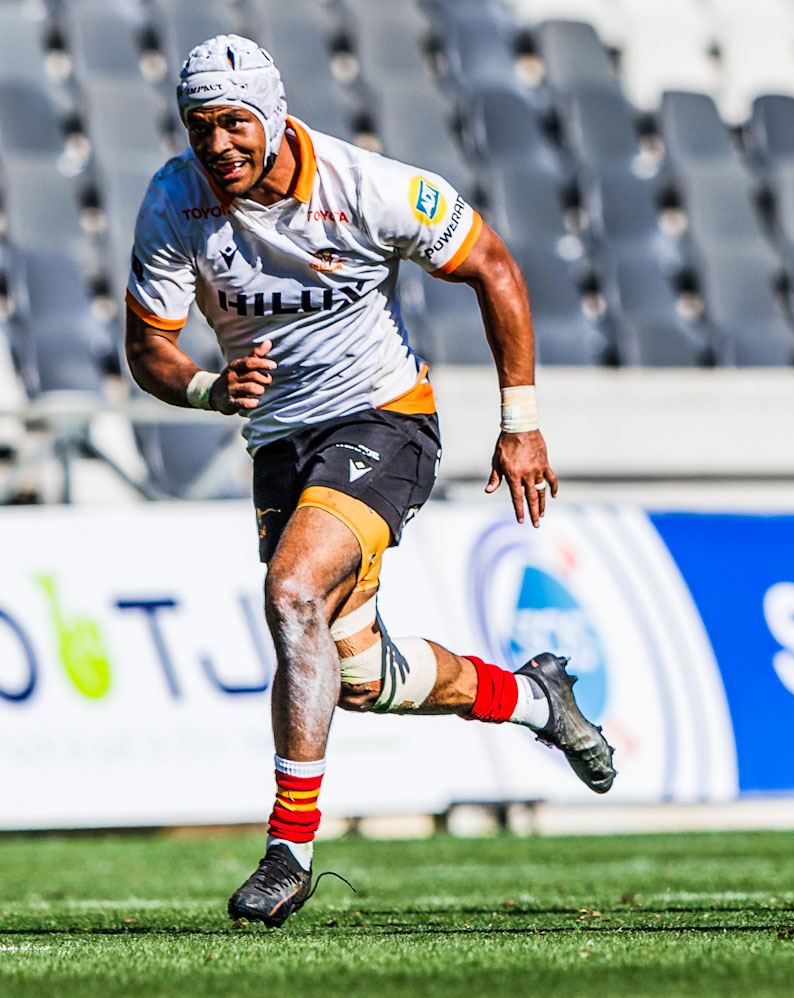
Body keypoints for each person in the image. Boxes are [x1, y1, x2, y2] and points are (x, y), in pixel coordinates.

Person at [122, 36, 616, 927]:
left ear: (273, 116)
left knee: (292, 590)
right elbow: (147, 347)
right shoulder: (173, 200)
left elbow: (495, 267)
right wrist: (205, 388)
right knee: (358, 675)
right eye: (200, 127)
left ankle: (289, 852)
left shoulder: (369, 186)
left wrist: (521, 423)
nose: (218, 145)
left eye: (235, 123)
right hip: (281, 445)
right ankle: (534, 698)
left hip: (383, 420)